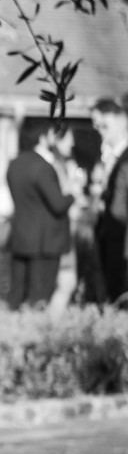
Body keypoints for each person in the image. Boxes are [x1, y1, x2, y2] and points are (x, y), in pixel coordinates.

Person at [5, 125, 76, 310]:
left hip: (20, 236)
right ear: (44, 137)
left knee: (16, 296)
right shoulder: (43, 167)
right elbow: (58, 205)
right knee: (40, 298)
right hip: (45, 242)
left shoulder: (15, 163)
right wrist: (73, 193)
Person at [47, 126, 87, 315]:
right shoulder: (53, 166)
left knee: (67, 281)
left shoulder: (64, 164)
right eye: (68, 139)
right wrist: (74, 187)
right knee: (66, 281)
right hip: (59, 231)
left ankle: (53, 323)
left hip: (66, 230)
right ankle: (50, 324)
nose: (72, 143)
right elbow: (61, 199)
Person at [92, 98, 128, 305]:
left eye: (103, 125)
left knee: (118, 285)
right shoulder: (107, 155)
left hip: (120, 230)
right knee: (108, 282)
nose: (98, 130)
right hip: (107, 227)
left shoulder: (124, 156)